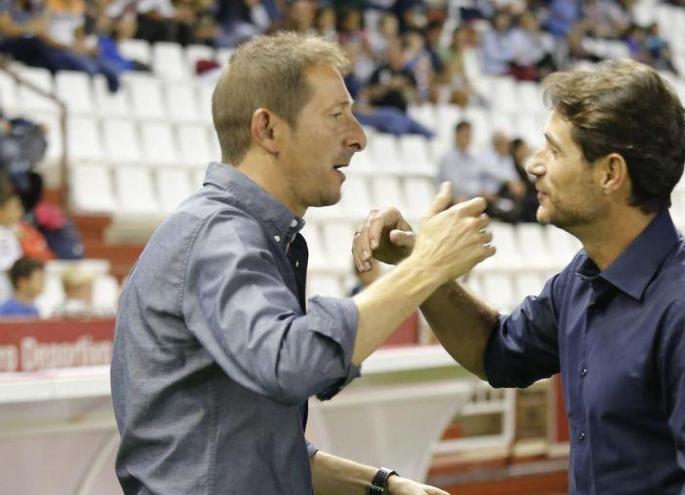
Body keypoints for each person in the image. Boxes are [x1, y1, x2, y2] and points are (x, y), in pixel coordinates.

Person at [354, 60, 685, 494]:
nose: (533, 165)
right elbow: (496, 353)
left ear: (611, 173)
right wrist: (419, 264)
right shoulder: (581, 278)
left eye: (553, 151)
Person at [111, 32, 493, 495]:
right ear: (268, 129)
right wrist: (426, 266)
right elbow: (292, 364)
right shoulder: (219, 237)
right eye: (336, 116)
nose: (358, 136)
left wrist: (382, 487)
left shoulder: (246, 236)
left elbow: (255, 453)